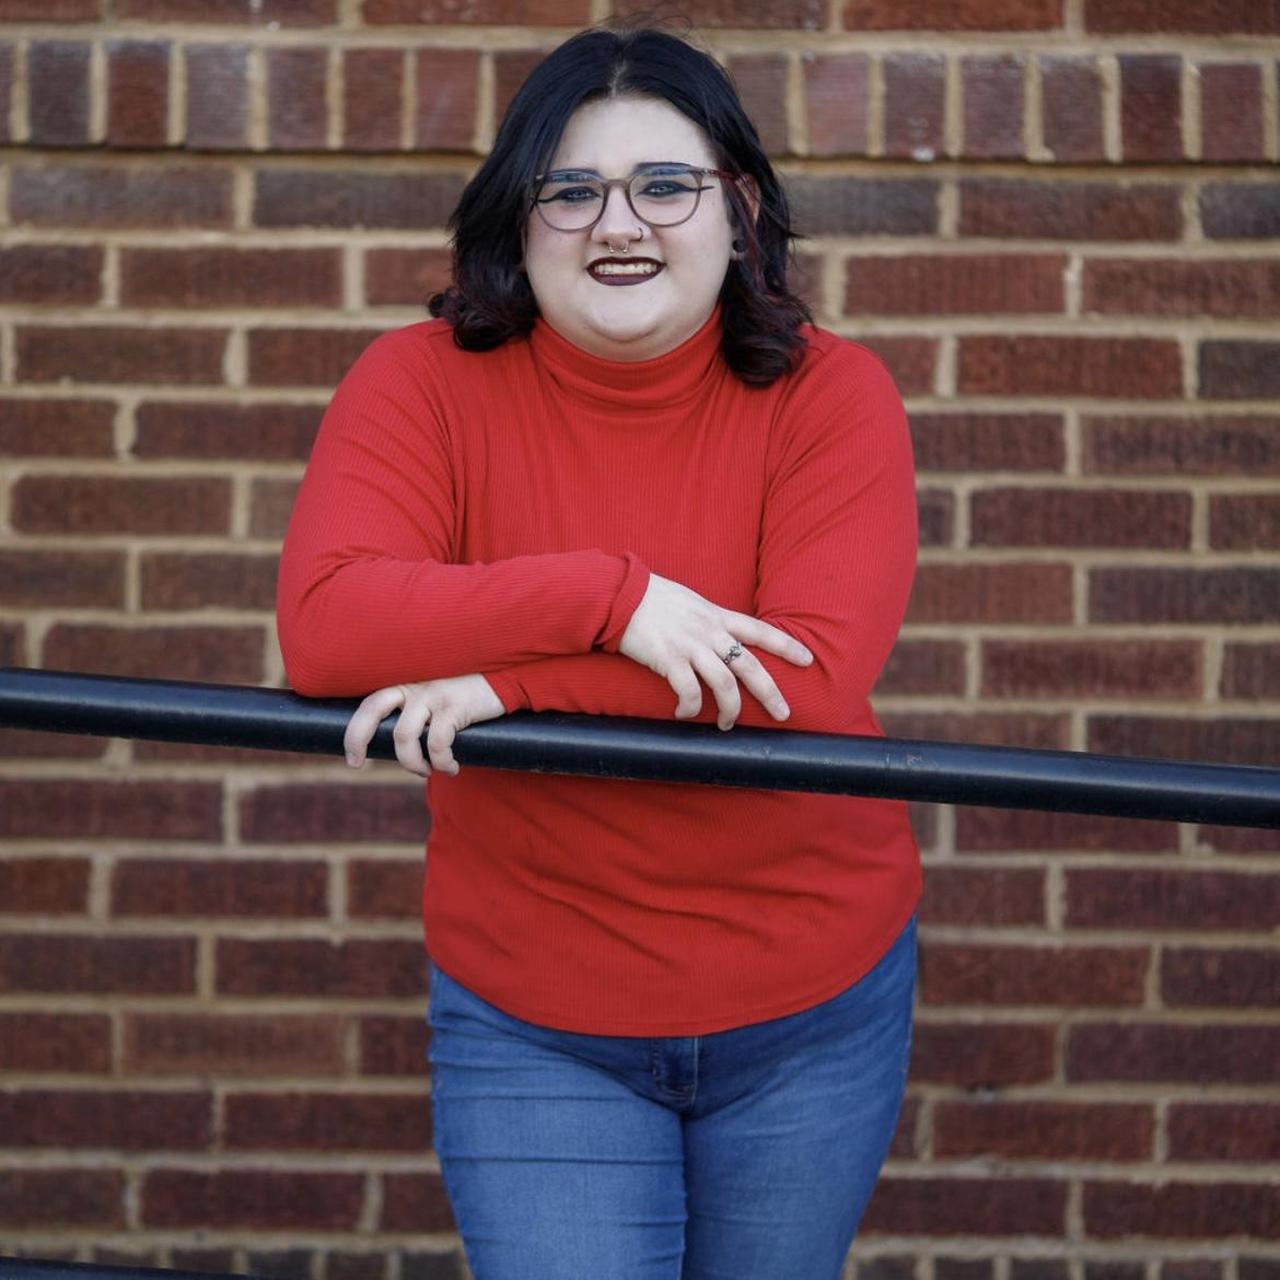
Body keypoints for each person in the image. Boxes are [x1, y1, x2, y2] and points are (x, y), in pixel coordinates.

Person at [276, 23, 920, 1279]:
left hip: (809, 997)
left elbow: (801, 676)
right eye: (568, 190)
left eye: (662, 185)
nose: (616, 223)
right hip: (535, 1009)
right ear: (516, 221)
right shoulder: (420, 384)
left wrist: (502, 683)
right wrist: (607, 599)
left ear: (737, 210)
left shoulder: (830, 395)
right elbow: (328, 626)